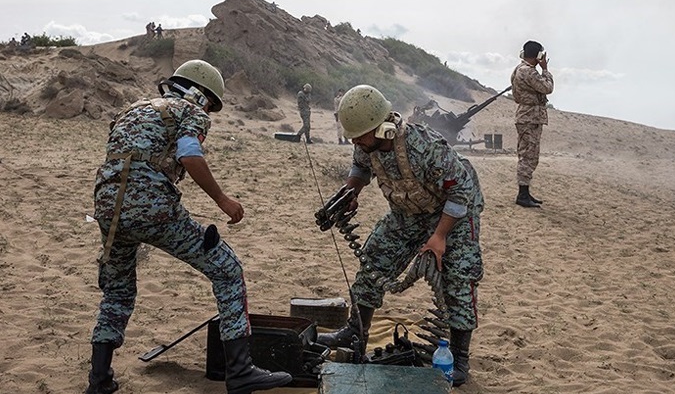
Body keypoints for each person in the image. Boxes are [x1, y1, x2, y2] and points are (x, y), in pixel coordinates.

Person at [85, 59, 292, 394]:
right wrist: (223, 200)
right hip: (151, 207)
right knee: (227, 269)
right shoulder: (190, 111)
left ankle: (99, 381)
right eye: (210, 105)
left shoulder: (132, 110)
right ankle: (240, 372)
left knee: (118, 291)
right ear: (201, 94)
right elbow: (190, 155)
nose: (208, 112)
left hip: (108, 207)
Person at [317, 85, 484, 387]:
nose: (355, 141)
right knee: (374, 261)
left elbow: (459, 192)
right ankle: (356, 331)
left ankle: (459, 358)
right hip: (407, 212)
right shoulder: (366, 142)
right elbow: (360, 166)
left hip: (454, 212)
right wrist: (352, 191)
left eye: (360, 136)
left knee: (459, 276)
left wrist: (439, 237)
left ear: (384, 129)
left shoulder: (426, 147)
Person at [510, 40, 554, 208]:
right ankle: (522, 194)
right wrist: (545, 70)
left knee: (527, 154)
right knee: (529, 156)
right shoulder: (529, 72)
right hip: (530, 117)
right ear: (538, 55)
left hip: (525, 115)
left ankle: (525, 192)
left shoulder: (518, 70)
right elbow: (547, 88)